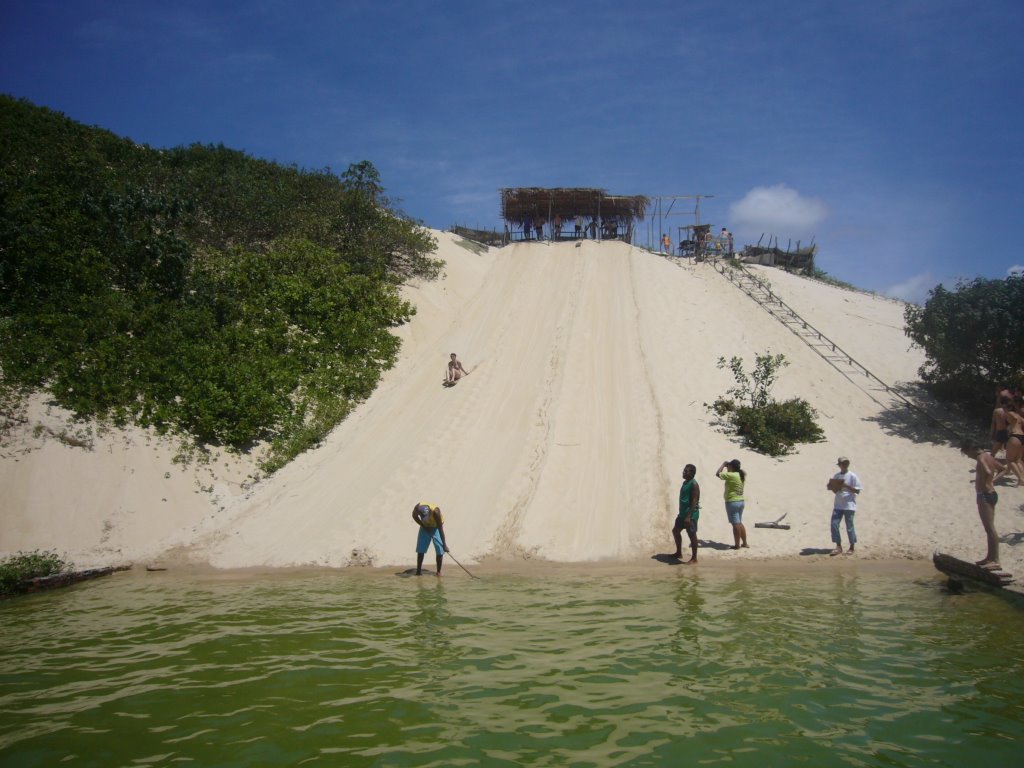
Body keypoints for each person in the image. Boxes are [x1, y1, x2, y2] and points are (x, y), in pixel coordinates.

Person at [960, 440, 1003, 569]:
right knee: (989, 528)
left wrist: (987, 481)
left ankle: (995, 560)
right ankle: (989, 558)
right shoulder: (989, 456)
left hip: (984, 495)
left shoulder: (981, 458)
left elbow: (988, 471)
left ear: (972, 449)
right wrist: (992, 481)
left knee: (990, 528)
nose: (968, 456)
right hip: (991, 493)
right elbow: (1004, 469)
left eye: (967, 453)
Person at [828, 456, 862, 556]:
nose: (844, 465)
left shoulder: (852, 476)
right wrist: (832, 487)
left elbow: (858, 490)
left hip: (849, 505)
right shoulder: (837, 475)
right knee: (834, 524)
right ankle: (838, 546)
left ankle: (852, 547)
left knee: (849, 526)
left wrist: (846, 486)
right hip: (838, 504)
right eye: (842, 463)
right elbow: (835, 491)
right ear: (839, 465)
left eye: (846, 463)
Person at [671, 464, 700, 563]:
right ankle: (679, 552)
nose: (683, 472)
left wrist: (689, 516)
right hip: (682, 514)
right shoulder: (685, 483)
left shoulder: (694, 484)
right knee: (675, 531)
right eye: (684, 470)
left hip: (690, 516)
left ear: (692, 473)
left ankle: (694, 558)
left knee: (692, 535)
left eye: (686, 471)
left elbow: (694, 501)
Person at [716, 459, 747, 549]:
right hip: (741, 501)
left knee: (735, 524)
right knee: (739, 523)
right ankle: (744, 543)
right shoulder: (741, 475)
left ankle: (737, 545)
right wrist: (728, 467)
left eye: (729, 466)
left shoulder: (732, 475)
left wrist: (723, 464)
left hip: (732, 502)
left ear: (732, 467)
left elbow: (718, 474)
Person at [412, 502, 449, 576]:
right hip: (425, 526)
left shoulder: (436, 512)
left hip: (436, 527)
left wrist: (444, 545)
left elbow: (441, 529)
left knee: (439, 549)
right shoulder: (417, 508)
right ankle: (418, 571)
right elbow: (414, 517)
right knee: (421, 548)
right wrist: (424, 526)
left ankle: (438, 572)